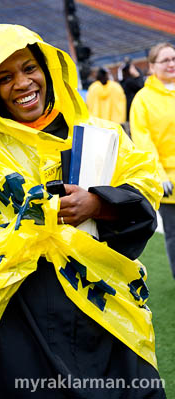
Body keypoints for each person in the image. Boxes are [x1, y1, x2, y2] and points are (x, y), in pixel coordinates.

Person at [0, 17, 163, 398]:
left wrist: (96, 204)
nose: (23, 83)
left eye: (30, 68)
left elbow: (143, 194)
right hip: (11, 315)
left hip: (96, 308)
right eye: (4, 77)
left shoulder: (96, 135)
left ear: (49, 71)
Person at [130, 42, 175, 279]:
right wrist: (160, 175)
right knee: (174, 234)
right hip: (169, 182)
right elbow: (144, 142)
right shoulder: (143, 100)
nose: (171, 64)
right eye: (165, 60)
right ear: (152, 66)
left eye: (174, 58)